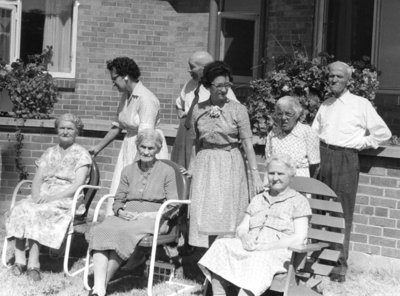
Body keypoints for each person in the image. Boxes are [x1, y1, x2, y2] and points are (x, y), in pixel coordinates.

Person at [312, 61, 392, 282]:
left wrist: (359, 143)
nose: (334, 80)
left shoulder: (361, 104)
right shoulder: (325, 104)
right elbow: (313, 133)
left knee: (341, 212)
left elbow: (382, 133)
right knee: (319, 210)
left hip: (346, 159)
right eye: (331, 77)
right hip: (322, 156)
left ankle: (338, 266)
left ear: (348, 80)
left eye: (339, 76)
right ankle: (320, 260)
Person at [198, 154, 311, 296]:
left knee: (258, 260)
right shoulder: (258, 199)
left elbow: (299, 238)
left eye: (280, 174)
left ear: (291, 175)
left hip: (278, 251)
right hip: (252, 247)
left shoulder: (299, 201)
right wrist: (245, 237)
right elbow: (242, 227)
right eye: (271, 173)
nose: (275, 178)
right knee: (221, 245)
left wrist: (266, 247)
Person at [87, 129, 179, 296]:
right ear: (137, 147)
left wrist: (151, 215)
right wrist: (120, 211)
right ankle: (99, 287)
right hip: (127, 215)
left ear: (158, 149)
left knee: (123, 232)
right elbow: (118, 199)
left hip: (156, 218)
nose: (146, 152)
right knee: (102, 229)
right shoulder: (128, 170)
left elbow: (174, 205)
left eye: (151, 148)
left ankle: (100, 288)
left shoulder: (167, 171)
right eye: (142, 147)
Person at [5, 113, 92, 281]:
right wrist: (36, 194)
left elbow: (77, 185)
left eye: (70, 129)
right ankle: (19, 261)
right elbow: (37, 177)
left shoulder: (82, 154)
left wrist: (52, 198)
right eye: (62, 128)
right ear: (57, 130)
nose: (66, 132)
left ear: (77, 132)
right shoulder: (49, 152)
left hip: (67, 197)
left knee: (39, 211)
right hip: (44, 193)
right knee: (22, 208)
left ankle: (33, 264)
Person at [188, 61, 263, 249]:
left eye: (227, 85)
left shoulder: (238, 109)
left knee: (227, 210)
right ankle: (205, 258)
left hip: (230, 161)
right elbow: (194, 142)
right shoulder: (198, 109)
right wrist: (192, 166)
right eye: (219, 85)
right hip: (205, 162)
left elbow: (247, 142)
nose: (224, 90)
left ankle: (226, 254)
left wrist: (255, 174)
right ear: (207, 86)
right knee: (205, 209)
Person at [89, 57, 168, 214]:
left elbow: (147, 136)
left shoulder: (146, 99)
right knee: (122, 185)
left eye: (114, 79)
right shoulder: (125, 96)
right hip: (129, 146)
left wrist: (137, 163)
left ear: (126, 76)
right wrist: (97, 148)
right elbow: (117, 126)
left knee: (138, 186)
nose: (113, 84)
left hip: (145, 149)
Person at [170, 51, 238, 169]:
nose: (189, 71)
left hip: (203, 137)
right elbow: (178, 105)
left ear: (204, 68)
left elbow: (234, 112)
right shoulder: (190, 84)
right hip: (185, 134)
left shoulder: (220, 88)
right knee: (179, 171)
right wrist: (183, 118)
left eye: (192, 67)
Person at [264, 96, 320, 184]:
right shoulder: (273, 133)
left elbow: (315, 165)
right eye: (279, 114)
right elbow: (269, 161)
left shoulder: (307, 132)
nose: (283, 118)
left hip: (300, 182)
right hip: (276, 181)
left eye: (288, 114)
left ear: (297, 114)